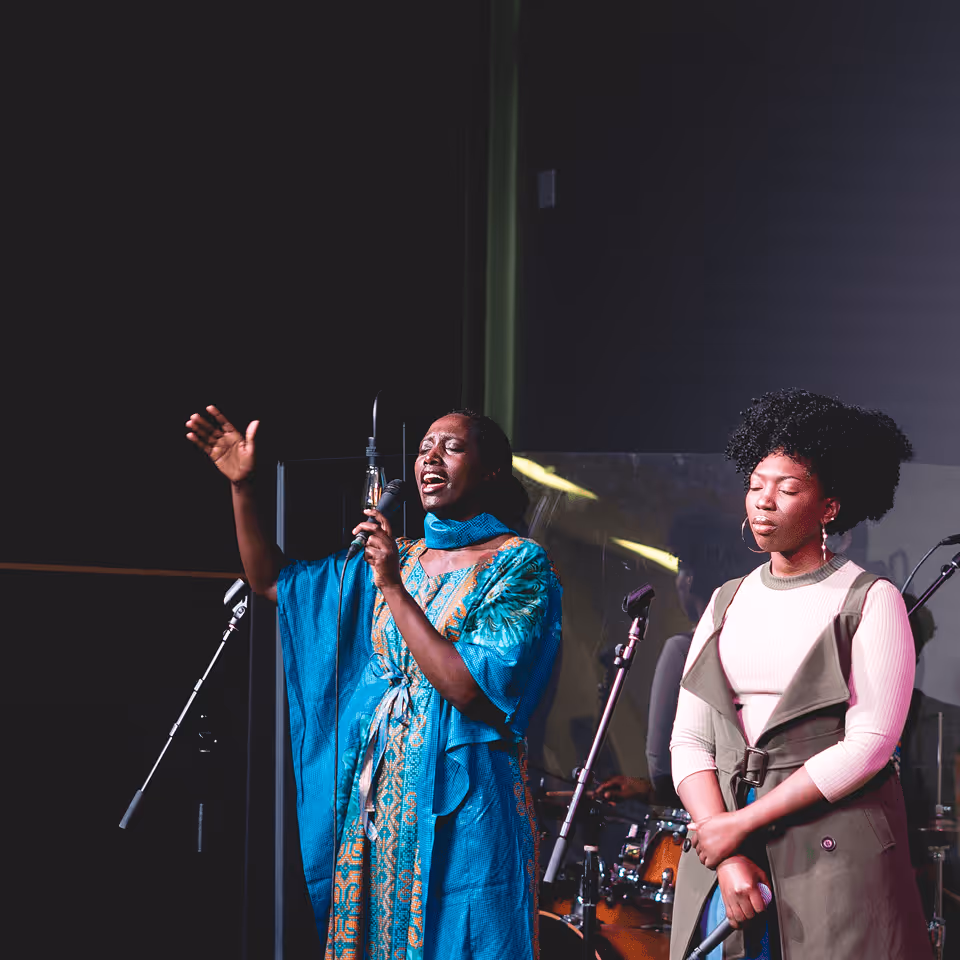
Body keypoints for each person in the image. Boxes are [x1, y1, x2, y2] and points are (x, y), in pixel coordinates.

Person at [186, 405, 562, 960]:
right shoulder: (401, 554)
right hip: (385, 802)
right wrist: (243, 487)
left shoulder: (518, 565)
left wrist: (389, 584)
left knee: (460, 940)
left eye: (451, 446)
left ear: (491, 472)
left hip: (466, 802)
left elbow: (465, 686)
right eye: (424, 446)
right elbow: (272, 582)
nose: (430, 457)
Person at [668, 389, 929, 960]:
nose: (764, 502)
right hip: (725, 847)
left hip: (833, 849)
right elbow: (690, 739)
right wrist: (727, 845)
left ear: (829, 507)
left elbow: (870, 744)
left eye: (786, 489)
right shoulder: (724, 601)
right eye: (757, 485)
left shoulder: (871, 599)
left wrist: (742, 824)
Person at [598, 513, 754, 808]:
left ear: (690, 579)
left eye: (680, 568)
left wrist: (655, 789)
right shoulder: (757, 648)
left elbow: (662, 770)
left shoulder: (682, 650)